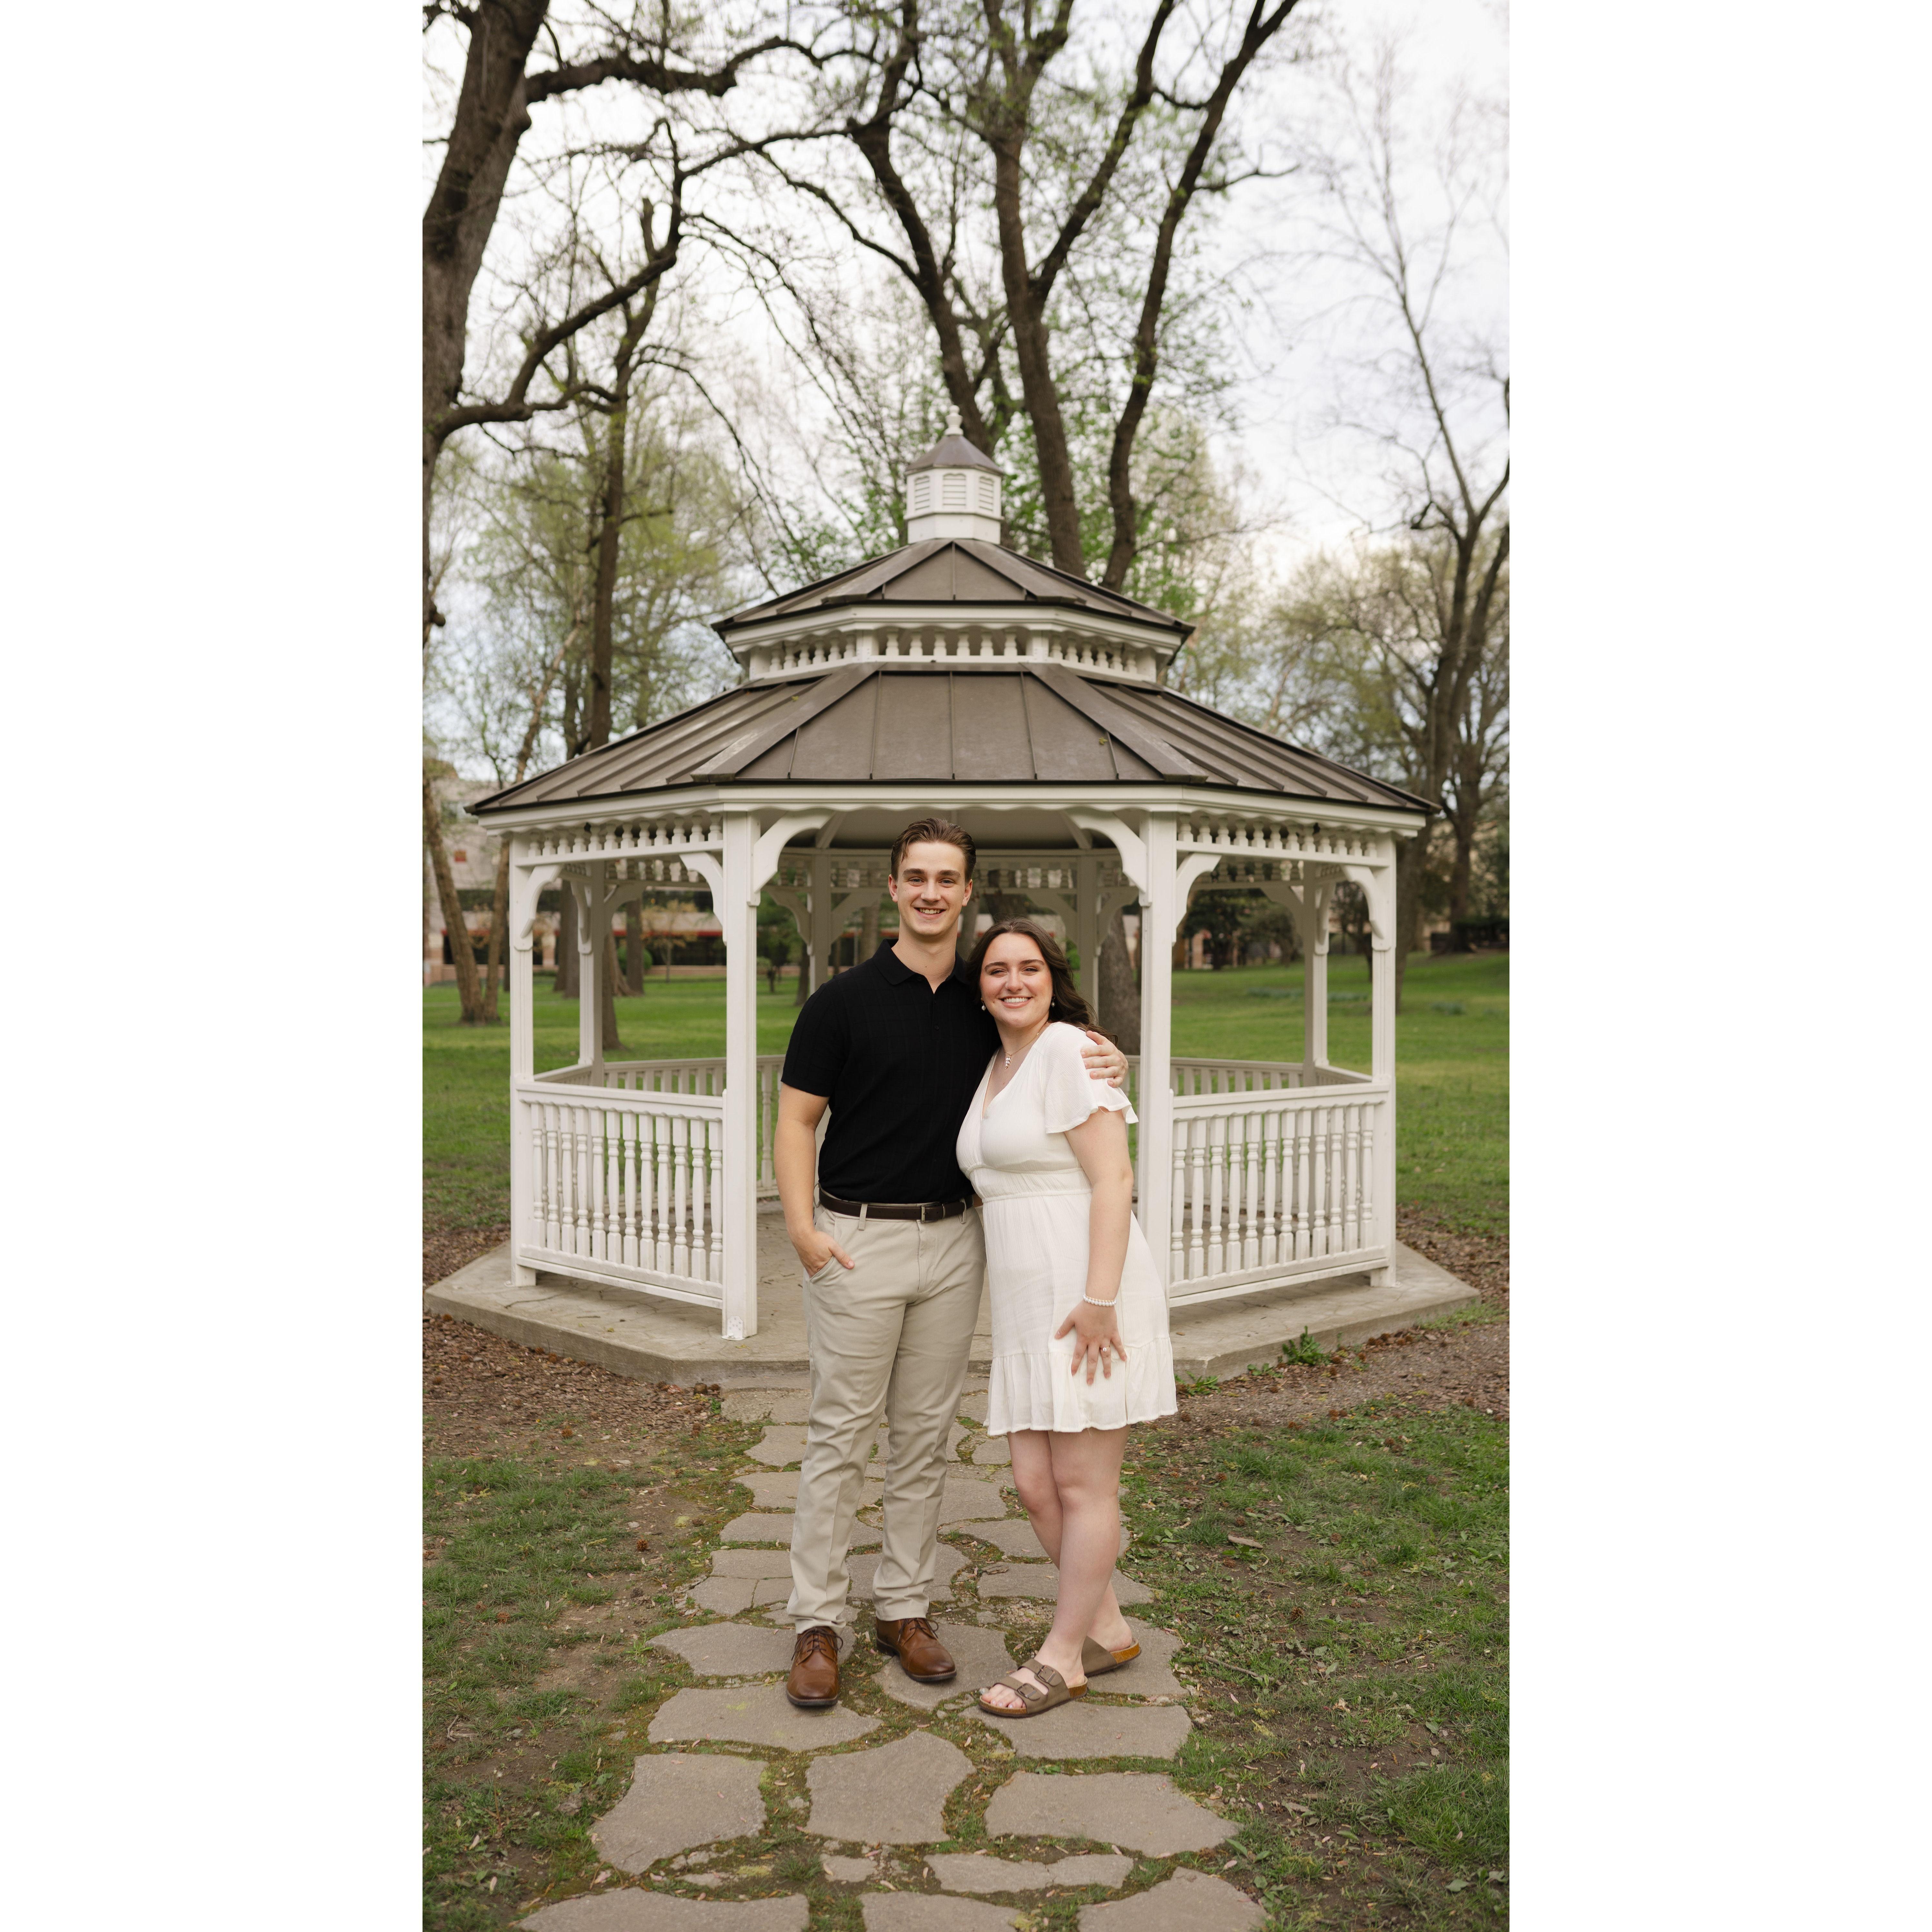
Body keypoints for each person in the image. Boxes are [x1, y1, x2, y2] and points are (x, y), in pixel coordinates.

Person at [772, 819, 1128, 1709]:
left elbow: (1053, 1049)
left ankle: (903, 1606)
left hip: (955, 1242)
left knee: (925, 1436)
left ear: (967, 891)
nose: (931, 892)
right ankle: (816, 1621)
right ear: (893, 887)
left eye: (947, 879)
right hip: (857, 1240)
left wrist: (1107, 1054)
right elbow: (795, 1121)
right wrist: (802, 1229)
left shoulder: (985, 1003)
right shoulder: (839, 1003)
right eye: (917, 876)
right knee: (840, 1435)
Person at [956, 918, 1177, 1718]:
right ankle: (1107, 1628)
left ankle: (1062, 1657)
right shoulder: (992, 1066)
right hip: (1026, 1304)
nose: (1012, 981)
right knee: (1033, 1484)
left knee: (1084, 1484)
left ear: (1053, 979)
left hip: (1089, 1293)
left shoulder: (1067, 1052)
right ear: (979, 988)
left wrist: (1100, 1299)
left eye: (1029, 967)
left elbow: (1114, 1179)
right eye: (996, 970)